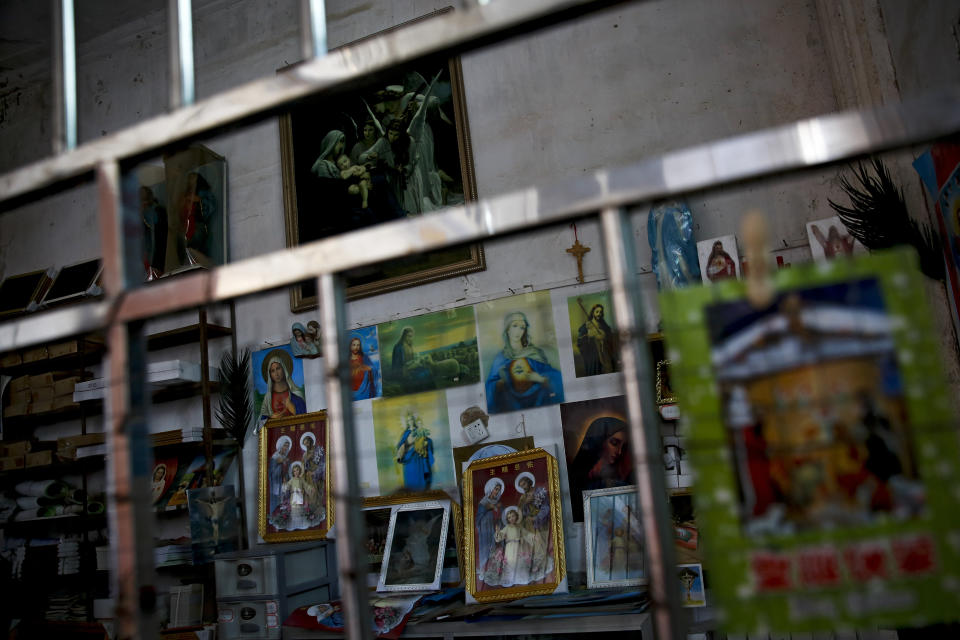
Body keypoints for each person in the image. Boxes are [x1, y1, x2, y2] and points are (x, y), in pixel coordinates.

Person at [485, 311, 564, 413]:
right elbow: (489, 387)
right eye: (515, 326)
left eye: (522, 327)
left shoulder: (534, 353)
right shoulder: (500, 358)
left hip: (540, 403)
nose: (518, 331)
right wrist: (500, 383)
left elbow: (556, 376)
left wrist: (541, 379)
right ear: (507, 329)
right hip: (511, 406)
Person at [569, 417, 633, 520]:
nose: (619, 452)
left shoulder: (621, 478)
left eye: (623, 446)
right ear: (599, 441)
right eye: (614, 443)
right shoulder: (574, 479)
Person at [482, 507, 533, 588]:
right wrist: (498, 532)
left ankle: (520, 579)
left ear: (516, 516)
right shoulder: (507, 527)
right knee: (510, 562)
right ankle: (510, 580)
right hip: (510, 548)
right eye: (509, 517)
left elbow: (526, 533)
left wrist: (533, 536)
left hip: (518, 547)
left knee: (519, 562)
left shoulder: (519, 527)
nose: (511, 518)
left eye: (513, 516)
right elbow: (499, 537)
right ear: (507, 519)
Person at [515, 472, 552, 581]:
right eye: (521, 486)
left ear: (529, 482)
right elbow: (519, 512)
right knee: (533, 544)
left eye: (524, 484)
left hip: (540, 523)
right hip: (528, 525)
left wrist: (536, 518)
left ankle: (541, 564)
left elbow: (546, 508)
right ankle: (534, 564)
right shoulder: (523, 497)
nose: (523, 487)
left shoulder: (540, 492)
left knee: (541, 544)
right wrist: (524, 503)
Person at [178, 171, 217, 266]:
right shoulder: (185, 194)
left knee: (197, 240)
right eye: (189, 179)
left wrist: (198, 200)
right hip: (187, 225)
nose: (191, 181)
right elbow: (180, 212)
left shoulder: (204, 192)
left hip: (198, 224)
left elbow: (211, 206)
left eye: (193, 178)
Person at [259, 349, 307, 422]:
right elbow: (261, 421)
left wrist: (292, 408)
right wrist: (271, 418)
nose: (276, 373)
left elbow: (304, 415)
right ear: (270, 375)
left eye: (278, 368)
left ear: (283, 369)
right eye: (272, 371)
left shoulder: (295, 393)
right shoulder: (268, 398)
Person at [575, 299, 617, 375]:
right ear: (593, 313)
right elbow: (580, 341)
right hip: (594, 355)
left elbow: (610, 337)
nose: (599, 314)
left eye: (601, 312)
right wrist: (589, 337)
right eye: (597, 312)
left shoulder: (604, 325)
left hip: (605, 354)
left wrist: (605, 337)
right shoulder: (587, 326)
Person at [395, 412, 435, 491]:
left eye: (412, 419)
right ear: (407, 422)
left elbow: (426, 440)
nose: (410, 421)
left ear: (414, 420)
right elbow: (400, 446)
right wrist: (408, 443)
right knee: (411, 481)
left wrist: (425, 442)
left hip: (419, 458)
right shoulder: (406, 433)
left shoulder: (419, 430)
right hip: (409, 460)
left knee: (420, 479)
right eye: (408, 420)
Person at [475, 477, 503, 575]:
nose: (497, 491)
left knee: (495, 550)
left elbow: (502, 517)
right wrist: (488, 508)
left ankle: (494, 569)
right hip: (485, 530)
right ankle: (484, 568)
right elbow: (478, 518)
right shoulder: (483, 502)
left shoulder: (499, 503)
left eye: (499, 490)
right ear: (491, 488)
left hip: (495, 529)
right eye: (496, 489)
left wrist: (499, 525)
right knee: (486, 549)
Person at [301, 432, 325, 514]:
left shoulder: (319, 450)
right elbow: (304, 467)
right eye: (305, 445)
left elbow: (323, 464)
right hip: (309, 477)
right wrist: (305, 462)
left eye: (307, 443)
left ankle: (317, 510)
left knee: (318, 494)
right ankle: (311, 511)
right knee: (311, 494)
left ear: (311, 441)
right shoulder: (305, 454)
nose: (307, 446)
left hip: (318, 475)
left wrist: (314, 472)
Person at [268, 435, 292, 513]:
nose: (286, 448)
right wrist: (279, 464)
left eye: (287, 446)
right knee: (278, 502)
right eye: (285, 445)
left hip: (284, 482)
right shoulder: (275, 457)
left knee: (284, 501)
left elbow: (288, 471)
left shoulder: (286, 457)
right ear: (281, 445)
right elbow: (272, 473)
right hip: (277, 483)